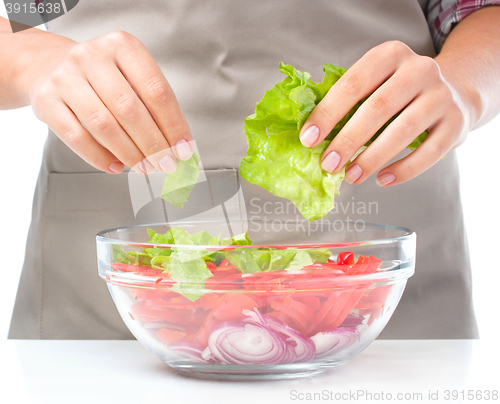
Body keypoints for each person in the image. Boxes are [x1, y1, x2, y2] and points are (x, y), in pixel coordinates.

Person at [2, 0, 499, 340]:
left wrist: (463, 87)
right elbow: (20, 13)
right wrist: (27, 58)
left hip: (386, 307)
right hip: (110, 316)